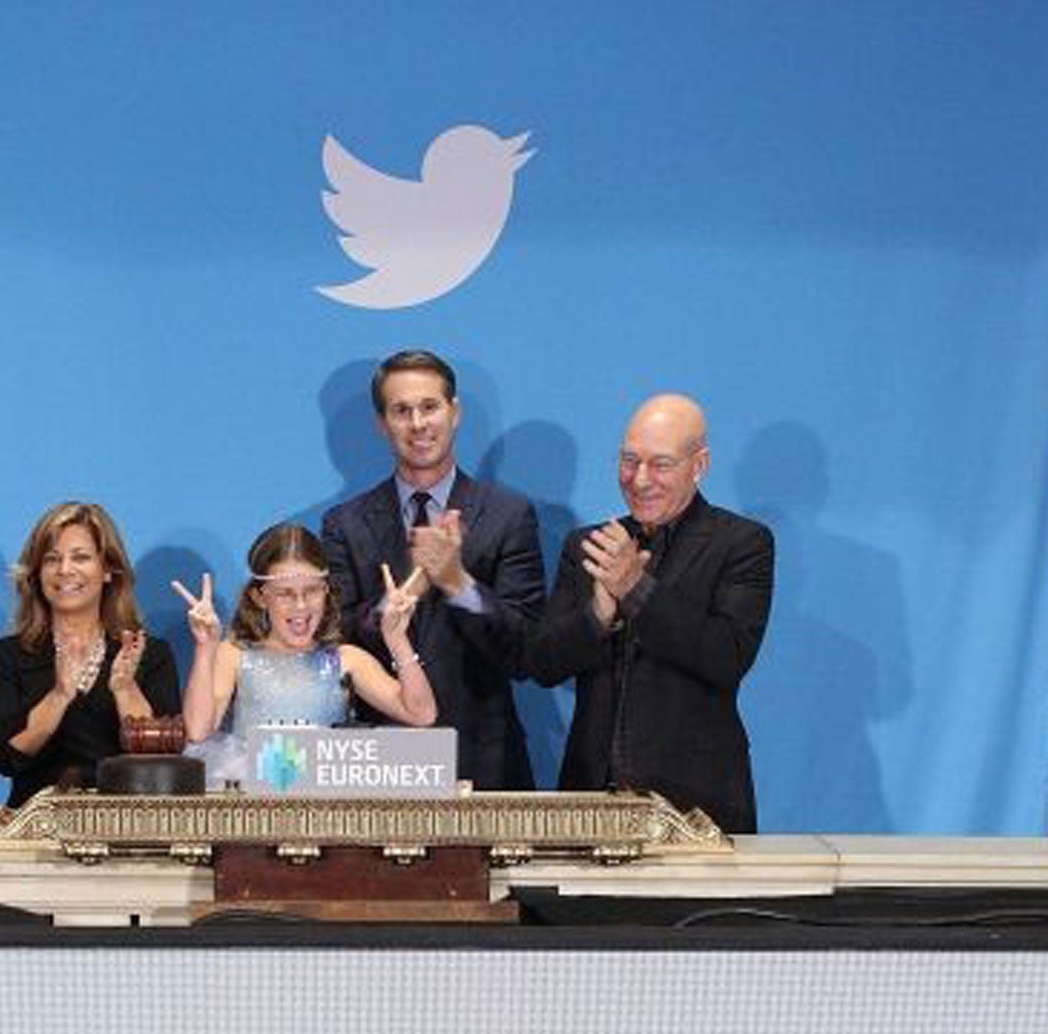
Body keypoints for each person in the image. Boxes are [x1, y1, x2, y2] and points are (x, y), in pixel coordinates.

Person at [525, 394, 773, 832]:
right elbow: (544, 663)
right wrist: (599, 613)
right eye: (628, 460)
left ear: (699, 465)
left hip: (699, 804)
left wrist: (634, 589)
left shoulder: (742, 543)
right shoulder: (589, 546)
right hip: (590, 800)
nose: (639, 479)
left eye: (659, 464)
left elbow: (726, 656)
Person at [320, 349, 546, 789]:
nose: (418, 424)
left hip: (483, 760)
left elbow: (526, 650)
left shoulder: (508, 515)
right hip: (376, 761)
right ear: (381, 424)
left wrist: (457, 583)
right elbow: (334, 639)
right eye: (401, 411)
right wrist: (401, 598)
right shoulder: (344, 524)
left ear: (454, 412)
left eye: (429, 407)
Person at [174, 523, 433, 781]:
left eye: (311, 591)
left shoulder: (347, 659)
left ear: (326, 590)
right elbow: (197, 731)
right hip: (255, 803)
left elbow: (420, 714)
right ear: (260, 597)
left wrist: (397, 640)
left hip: (324, 805)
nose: (300, 606)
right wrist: (205, 650)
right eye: (285, 594)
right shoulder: (233, 655)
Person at [0, 500, 182, 807]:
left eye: (81, 557)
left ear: (108, 569)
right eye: (51, 559)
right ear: (36, 573)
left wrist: (125, 690)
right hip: (35, 834)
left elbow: (163, 760)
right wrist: (59, 695)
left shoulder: (149, 654)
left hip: (126, 830)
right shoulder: (6, 655)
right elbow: (5, 757)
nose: (65, 570)